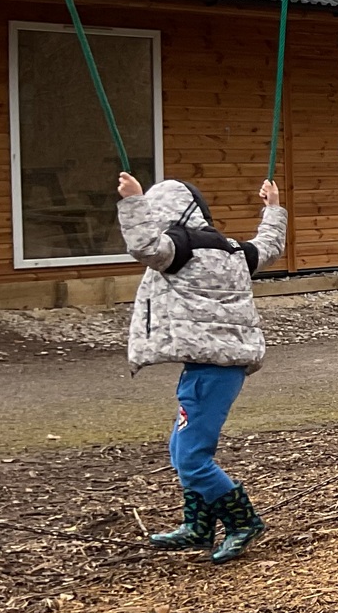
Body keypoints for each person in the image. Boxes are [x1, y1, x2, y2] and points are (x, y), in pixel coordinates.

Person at [117, 171, 288, 563]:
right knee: (181, 449)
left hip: (213, 369)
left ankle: (243, 522)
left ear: (162, 212)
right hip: (212, 366)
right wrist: (274, 209)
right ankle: (198, 525)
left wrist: (132, 201)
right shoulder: (232, 250)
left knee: (193, 457)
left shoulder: (178, 249)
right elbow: (269, 246)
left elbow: (144, 247)